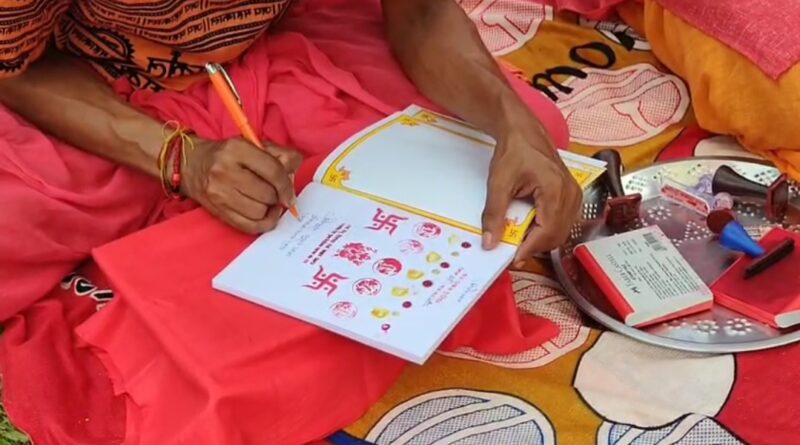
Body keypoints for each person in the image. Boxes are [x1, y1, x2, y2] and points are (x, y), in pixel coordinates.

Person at [0, 0, 580, 270]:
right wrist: (179, 158)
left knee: (523, 139)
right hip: (95, 86)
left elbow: (421, 15)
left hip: (268, 50)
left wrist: (511, 120)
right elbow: (14, 67)